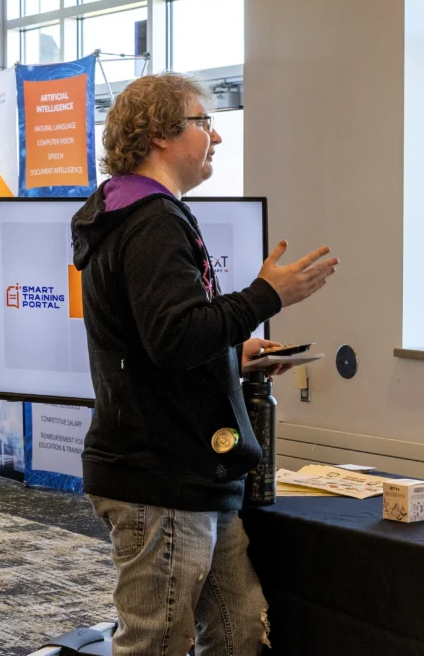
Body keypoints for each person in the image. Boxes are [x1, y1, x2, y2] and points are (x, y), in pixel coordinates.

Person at [71, 72, 338, 655]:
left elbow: (157, 342)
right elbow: (174, 338)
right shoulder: (151, 222)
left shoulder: (133, 214)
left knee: (240, 631)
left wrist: (230, 358)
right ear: (162, 134)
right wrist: (267, 295)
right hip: (162, 473)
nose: (215, 138)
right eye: (204, 122)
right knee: (159, 643)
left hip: (190, 472)